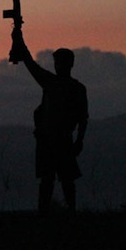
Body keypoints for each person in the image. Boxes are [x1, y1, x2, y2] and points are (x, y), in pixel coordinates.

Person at [12, 28, 88, 215]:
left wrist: (79, 140)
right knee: (50, 179)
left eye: (59, 63)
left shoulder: (70, 87)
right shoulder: (62, 84)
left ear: (68, 64)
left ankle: (66, 212)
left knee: (64, 180)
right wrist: (19, 40)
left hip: (61, 139)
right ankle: (48, 212)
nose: (57, 66)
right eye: (56, 63)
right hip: (49, 138)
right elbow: (31, 64)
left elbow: (83, 117)